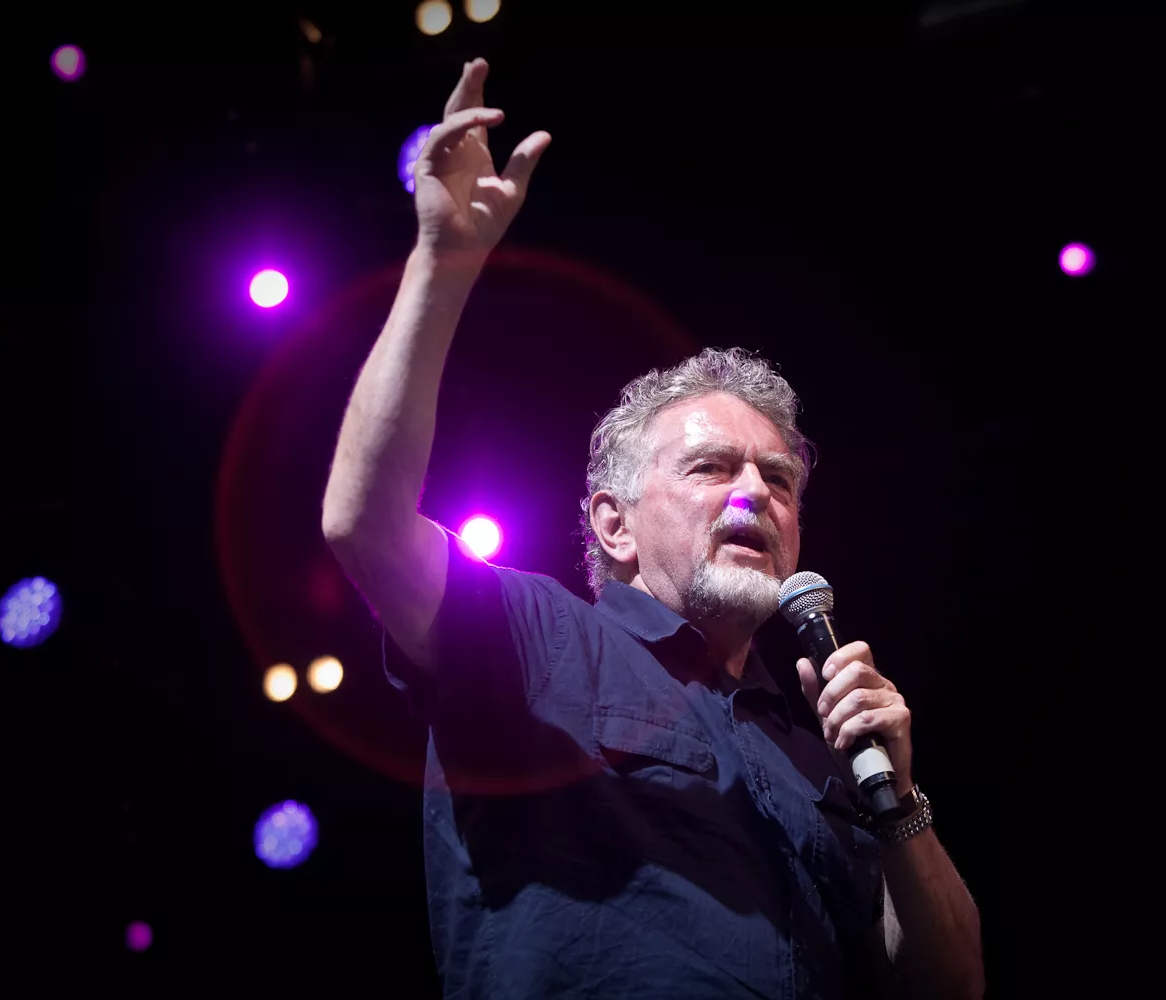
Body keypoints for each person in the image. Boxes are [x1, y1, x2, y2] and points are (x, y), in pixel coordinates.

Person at [322, 59, 984, 999]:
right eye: (712, 469)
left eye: (779, 479)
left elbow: (952, 985)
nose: (754, 495)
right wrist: (442, 261)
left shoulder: (824, 748)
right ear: (614, 525)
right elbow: (364, 522)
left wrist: (900, 802)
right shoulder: (534, 637)